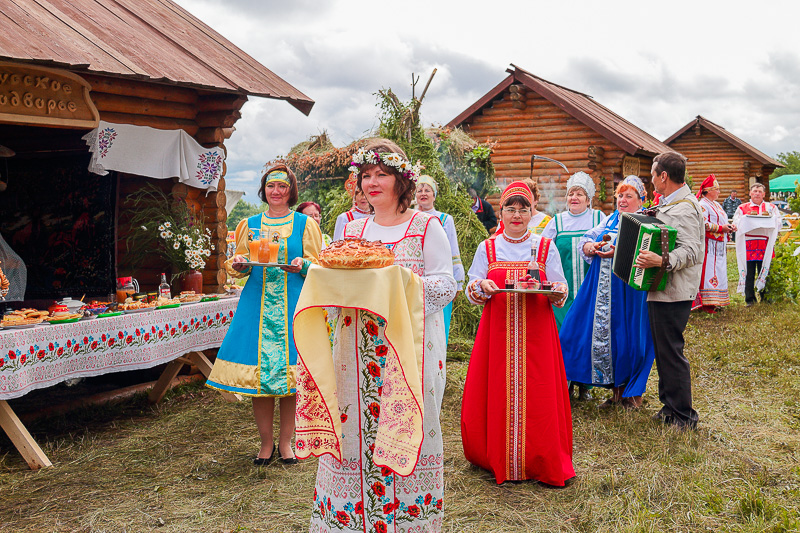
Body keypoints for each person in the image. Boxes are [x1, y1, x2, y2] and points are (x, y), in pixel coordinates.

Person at [300, 140, 456, 532]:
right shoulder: (351, 229)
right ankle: (351, 522)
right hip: (353, 352)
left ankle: (406, 523)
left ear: (401, 180)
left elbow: (445, 285)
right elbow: (337, 287)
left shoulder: (425, 227)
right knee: (353, 428)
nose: (371, 182)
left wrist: (399, 286)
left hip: (407, 353)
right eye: (365, 175)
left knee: (404, 430)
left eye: (380, 174)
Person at [206, 165, 322, 464]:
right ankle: (266, 443)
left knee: (290, 377)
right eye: (271, 186)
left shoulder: (305, 225)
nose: (276, 191)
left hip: (294, 304)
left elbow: (319, 265)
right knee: (261, 377)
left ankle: (287, 443)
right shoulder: (249, 223)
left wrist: (304, 265)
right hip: (256, 305)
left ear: (291, 190)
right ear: (264, 189)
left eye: (282, 186)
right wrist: (240, 264)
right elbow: (236, 263)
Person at [461, 181, 574, 486]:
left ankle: (538, 456)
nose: (517, 214)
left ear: (531, 212)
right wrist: (481, 287)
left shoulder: (544, 247)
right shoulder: (487, 248)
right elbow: (471, 286)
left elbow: (561, 287)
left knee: (538, 390)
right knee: (497, 388)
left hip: (537, 334)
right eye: (511, 208)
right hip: (496, 334)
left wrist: (554, 292)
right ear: (501, 212)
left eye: (523, 208)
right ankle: (497, 455)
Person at [560, 176, 655, 409]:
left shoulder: (648, 220)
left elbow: (650, 250)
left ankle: (632, 396)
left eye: (628, 195)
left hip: (630, 290)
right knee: (593, 333)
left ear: (641, 199)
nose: (622, 200)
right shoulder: (611, 219)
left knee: (630, 338)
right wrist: (591, 246)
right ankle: (614, 393)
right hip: (602, 288)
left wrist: (618, 252)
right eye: (620, 195)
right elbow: (588, 238)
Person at [634, 151, 704, 429]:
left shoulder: (685, 207)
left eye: (653, 174)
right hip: (663, 288)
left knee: (671, 351)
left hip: (675, 291)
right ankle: (670, 407)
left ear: (664, 176)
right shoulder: (672, 203)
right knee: (663, 349)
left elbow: (691, 251)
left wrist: (661, 260)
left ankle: (684, 415)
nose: (651, 181)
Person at [541, 172, 607, 332]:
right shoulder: (556, 222)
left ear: (588, 199)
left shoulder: (599, 218)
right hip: (565, 290)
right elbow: (543, 252)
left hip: (592, 289)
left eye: (579, 194)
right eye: (571, 194)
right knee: (564, 331)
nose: (574, 197)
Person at [415, 174, 464, 342]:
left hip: (439, 276)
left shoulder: (444, 219)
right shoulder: (411, 218)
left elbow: (453, 250)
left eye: (427, 190)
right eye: (419, 190)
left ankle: (439, 354)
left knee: (439, 321)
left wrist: (457, 281)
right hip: (417, 276)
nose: (423, 193)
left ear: (434, 196)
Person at [733, 183, 782, 306]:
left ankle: (766, 298)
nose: (757, 193)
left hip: (765, 244)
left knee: (765, 271)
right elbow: (736, 222)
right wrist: (745, 220)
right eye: (755, 191)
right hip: (748, 244)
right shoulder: (742, 208)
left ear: (764, 194)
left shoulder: (771, 208)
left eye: (760, 191)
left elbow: (779, 222)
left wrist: (772, 221)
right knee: (749, 273)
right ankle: (750, 299)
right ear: (750, 193)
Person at [692, 175, 735, 313]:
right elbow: (701, 224)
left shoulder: (716, 205)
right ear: (708, 190)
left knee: (718, 271)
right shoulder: (702, 205)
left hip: (718, 246)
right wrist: (720, 229)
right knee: (708, 271)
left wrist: (729, 226)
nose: (719, 192)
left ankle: (716, 301)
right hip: (708, 245)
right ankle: (706, 303)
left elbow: (722, 221)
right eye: (717, 189)